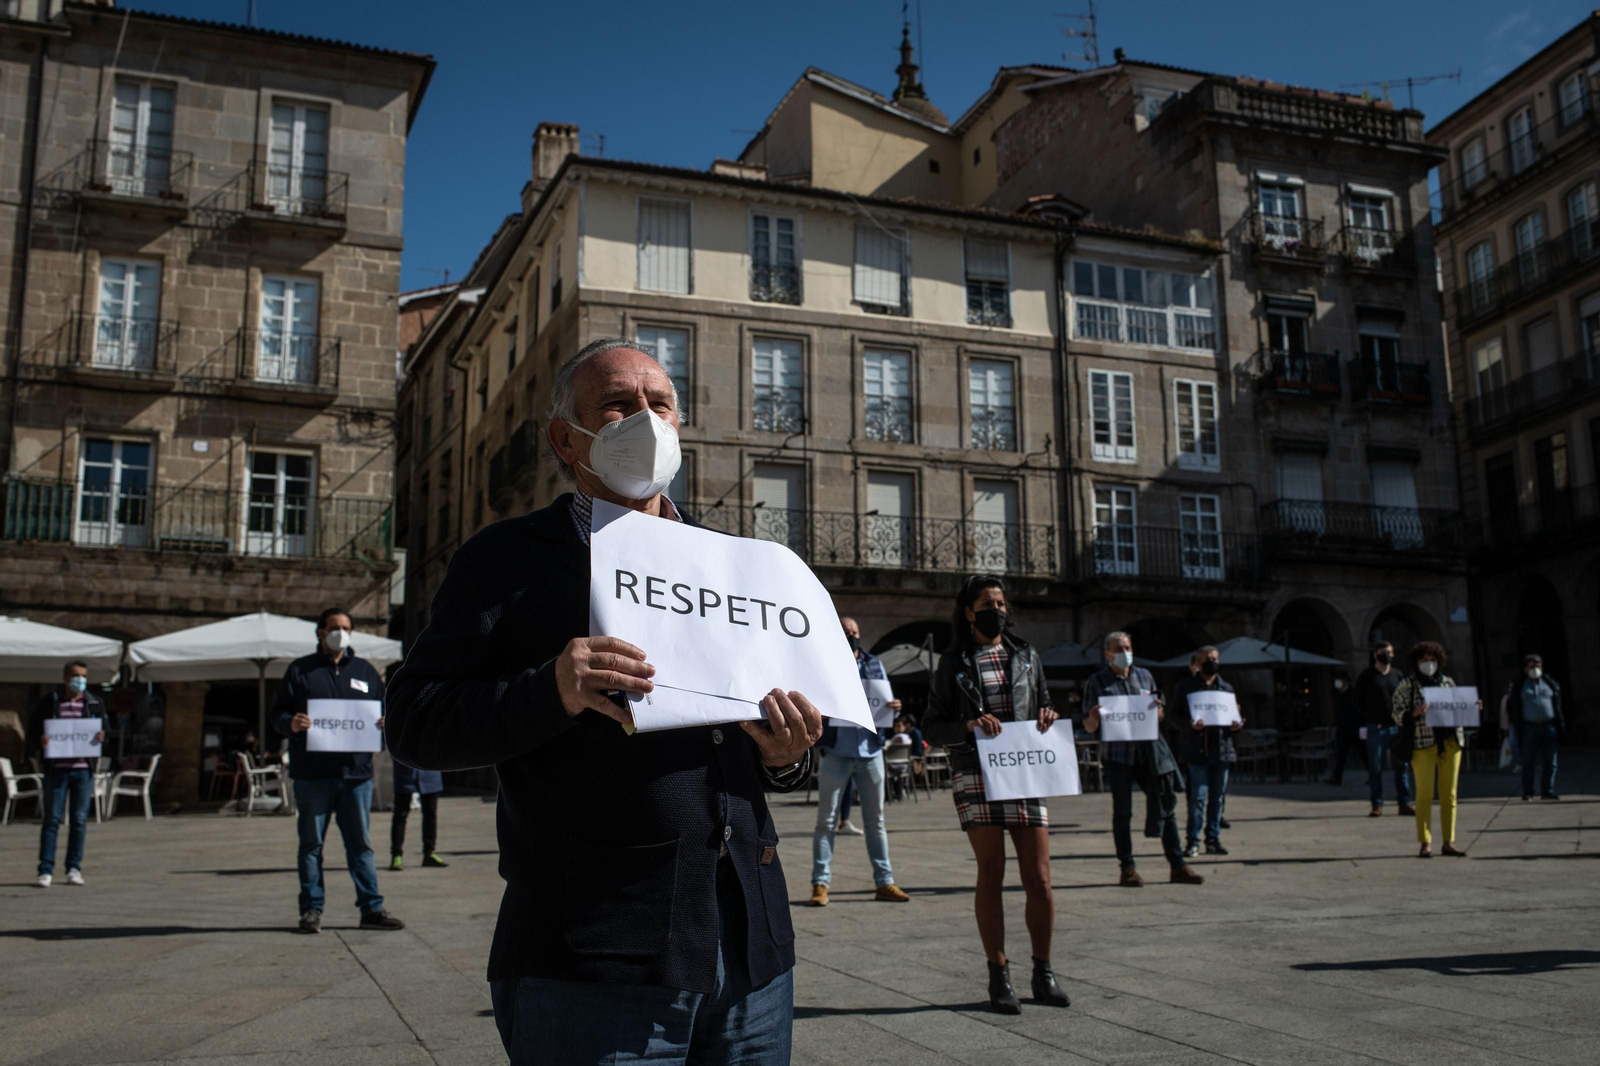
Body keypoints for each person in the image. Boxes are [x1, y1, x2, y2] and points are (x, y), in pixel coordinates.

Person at [385, 338, 821, 1066]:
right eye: (619, 404)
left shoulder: (733, 568)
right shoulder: (506, 561)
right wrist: (547, 689)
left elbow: (756, 746)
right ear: (566, 438)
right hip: (593, 957)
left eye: (660, 405)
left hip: (749, 949)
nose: (645, 420)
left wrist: (783, 758)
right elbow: (415, 722)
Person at [924, 575, 1071, 1016]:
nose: (998, 609)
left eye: (1002, 602)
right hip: (976, 773)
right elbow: (932, 727)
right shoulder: (953, 662)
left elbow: (1043, 703)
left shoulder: (1026, 656)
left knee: (1039, 878)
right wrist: (967, 727)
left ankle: (1043, 971)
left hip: (1025, 769)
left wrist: (1047, 713)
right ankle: (998, 972)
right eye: (989, 603)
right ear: (969, 611)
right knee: (991, 873)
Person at [273, 607, 404, 934]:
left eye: (346, 627)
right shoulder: (300, 671)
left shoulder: (366, 671)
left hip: (355, 776)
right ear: (320, 632)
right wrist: (290, 722)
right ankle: (311, 911)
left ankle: (372, 909)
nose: (340, 632)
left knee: (360, 845)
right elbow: (277, 714)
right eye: (334, 627)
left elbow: (385, 711)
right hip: (312, 775)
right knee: (311, 845)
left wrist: (385, 724)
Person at [1083, 633, 1205, 889]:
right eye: (1119, 648)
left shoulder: (1145, 676)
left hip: (1148, 752)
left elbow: (1158, 714)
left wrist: (1158, 711)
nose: (1124, 652)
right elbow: (1089, 726)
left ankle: (1177, 865)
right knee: (1123, 812)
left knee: (1165, 806)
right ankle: (1127, 868)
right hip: (1118, 756)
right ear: (1107, 653)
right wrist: (1093, 719)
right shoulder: (1097, 682)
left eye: (1128, 647)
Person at [808, 617, 911, 907]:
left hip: (870, 751)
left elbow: (884, 698)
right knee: (826, 820)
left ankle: (884, 881)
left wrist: (894, 706)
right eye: (844, 632)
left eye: (854, 632)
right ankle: (820, 882)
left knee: (875, 820)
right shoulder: (825, 664)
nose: (851, 636)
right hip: (837, 751)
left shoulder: (874, 664)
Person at [1392, 641, 1481, 859]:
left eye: (1432, 660)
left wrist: (1473, 707)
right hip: (1422, 744)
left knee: (1449, 794)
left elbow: (1459, 708)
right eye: (1424, 660)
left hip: (1450, 743)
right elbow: (1396, 713)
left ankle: (1448, 841)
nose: (1429, 664)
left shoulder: (1447, 683)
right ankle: (1425, 841)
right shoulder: (1408, 685)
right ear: (1416, 661)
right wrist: (1412, 713)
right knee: (1424, 794)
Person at [27, 661, 105, 887]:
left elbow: (105, 731)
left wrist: (101, 736)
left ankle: (74, 868)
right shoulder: (50, 702)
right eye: (75, 676)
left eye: (83, 676)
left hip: (83, 770)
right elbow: (33, 730)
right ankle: (45, 869)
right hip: (56, 770)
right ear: (65, 678)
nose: (80, 680)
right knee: (51, 819)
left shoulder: (94, 702)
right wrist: (40, 741)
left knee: (79, 820)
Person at [1173, 646, 1242, 858]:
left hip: (1222, 750)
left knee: (1217, 798)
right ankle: (1193, 840)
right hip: (1197, 751)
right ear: (1198, 662)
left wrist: (1236, 724)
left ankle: (1213, 839)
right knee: (1198, 798)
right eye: (1207, 659)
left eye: (1214, 658)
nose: (1211, 662)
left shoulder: (1226, 688)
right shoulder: (1186, 687)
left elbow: (1232, 717)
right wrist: (1190, 725)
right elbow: (1175, 717)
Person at [1355, 641, 1412, 818]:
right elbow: (1358, 700)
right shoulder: (1367, 676)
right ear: (1375, 655)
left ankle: (1404, 803)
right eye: (1382, 652)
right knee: (1375, 767)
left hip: (1396, 727)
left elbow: (1405, 699)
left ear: (1393, 654)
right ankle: (1377, 804)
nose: (1385, 655)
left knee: (1401, 766)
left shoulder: (1397, 675)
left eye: (1388, 652)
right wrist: (1368, 716)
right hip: (1376, 727)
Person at [1507, 653, 1563, 802]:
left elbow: (1557, 704)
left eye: (1537, 666)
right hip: (1529, 728)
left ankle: (1547, 790)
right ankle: (1528, 791)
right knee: (1528, 761)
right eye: (1532, 666)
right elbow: (1513, 707)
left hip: (1549, 726)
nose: (1535, 669)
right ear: (1525, 669)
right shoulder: (1520, 685)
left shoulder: (1550, 683)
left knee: (1551, 761)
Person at [391, 758, 448, 870]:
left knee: (430, 814)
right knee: (400, 815)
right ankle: (396, 854)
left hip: (430, 771)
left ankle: (429, 852)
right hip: (406, 770)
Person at [1324, 669, 1369, 785]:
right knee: (1341, 754)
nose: (1337, 682)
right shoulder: (1335, 693)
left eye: (1339, 680)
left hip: (1355, 727)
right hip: (1342, 728)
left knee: (1364, 753)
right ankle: (1337, 777)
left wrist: (1362, 727)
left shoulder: (1353, 692)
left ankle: (1373, 775)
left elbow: (1360, 710)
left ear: (1344, 681)